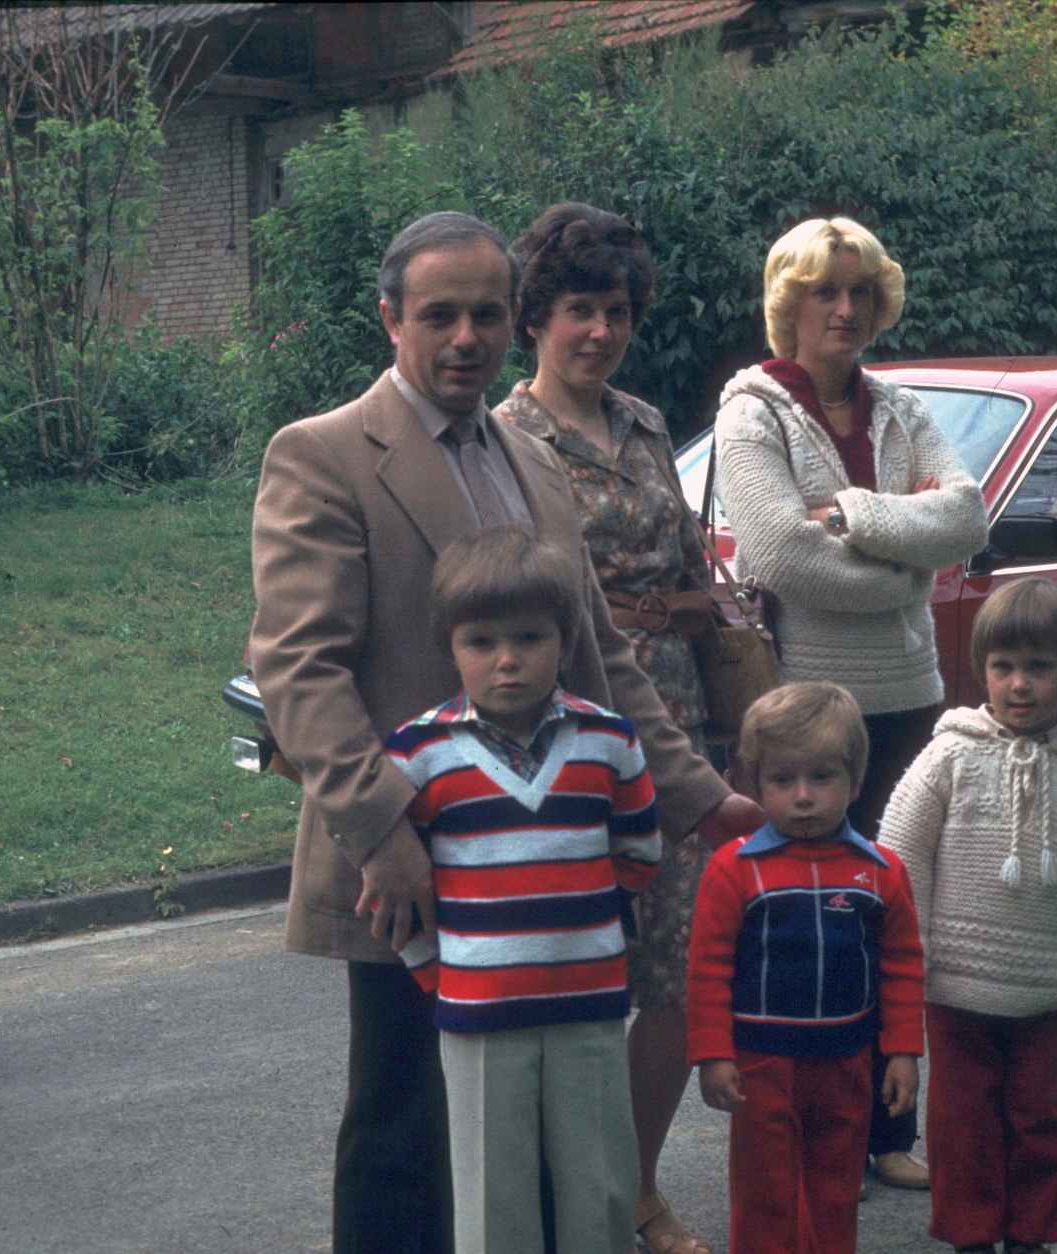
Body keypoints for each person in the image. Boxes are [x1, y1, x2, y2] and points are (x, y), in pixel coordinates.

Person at [248, 210, 765, 1254]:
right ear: (390, 319)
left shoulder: (531, 460)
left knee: (524, 1140)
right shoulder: (324, 455)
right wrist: (385, 833)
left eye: (486, 314)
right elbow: (298, 668)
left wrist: (701, 796)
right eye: (438, 315)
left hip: (550, 861)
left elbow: (600, 656)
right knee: (404, 1125)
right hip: (410, 866)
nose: (466, 338)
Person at [712, 215, 988, 1188]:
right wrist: (908, 567)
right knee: (800, 919)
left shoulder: (901, 409)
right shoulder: (753, 413)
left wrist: (859, 518)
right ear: (787, 304)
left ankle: (888, 1134)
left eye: (861, 292)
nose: (844, 309)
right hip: (806, 707)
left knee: (891, 913)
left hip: (910, 695)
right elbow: (781, 554)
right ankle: (800, 1128)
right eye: (824, 291)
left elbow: (967, 516)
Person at [492, 202, 718, 1254]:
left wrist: (692, 610)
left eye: (617, 311)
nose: (600, 330)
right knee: (574, 982)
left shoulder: (646, 424)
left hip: (678, 720)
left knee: (679, 976)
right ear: (536, 316)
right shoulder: (503, 439)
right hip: (566, 727)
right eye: (580, 308)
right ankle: (559, 1200)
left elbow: (690, 564)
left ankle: (635, 1187)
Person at [386, 526, 658, 1254]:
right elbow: (396, 897)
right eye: (481, 642)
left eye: (530, 638)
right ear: (450, 647)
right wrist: (440, 977)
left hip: (590, 1005)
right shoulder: (417, 753)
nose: (507, 660)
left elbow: (639, 853)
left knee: (602, 1183)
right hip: (476, 1011)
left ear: (565, 640)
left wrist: (582, 933)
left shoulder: (610, 741)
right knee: (491, 1193)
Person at [877, 577, 1057, 1254]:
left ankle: (1031, 1234)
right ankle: (971, 1236)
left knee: (1037, 1114)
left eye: (1039, 667)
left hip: (1044, 987)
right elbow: (902, 855)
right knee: (960, 1117)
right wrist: (903, 959)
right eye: (1003, 667)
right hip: (954, 984)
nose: (1019, 684)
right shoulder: (950, 754)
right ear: (983, 670)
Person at [686, 681, 926, 1254]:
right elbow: (707, 969)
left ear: (855, 781)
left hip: (846, 1060)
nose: (802, 797)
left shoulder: (881, 871)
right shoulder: (733, 869)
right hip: (760, 1062)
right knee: (763, 1191)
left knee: (835, 1188)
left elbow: (902, 966)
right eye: (782, 780)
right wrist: (713, 1055)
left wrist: (902, 1052)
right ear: (754, 784)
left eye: (821, 778)